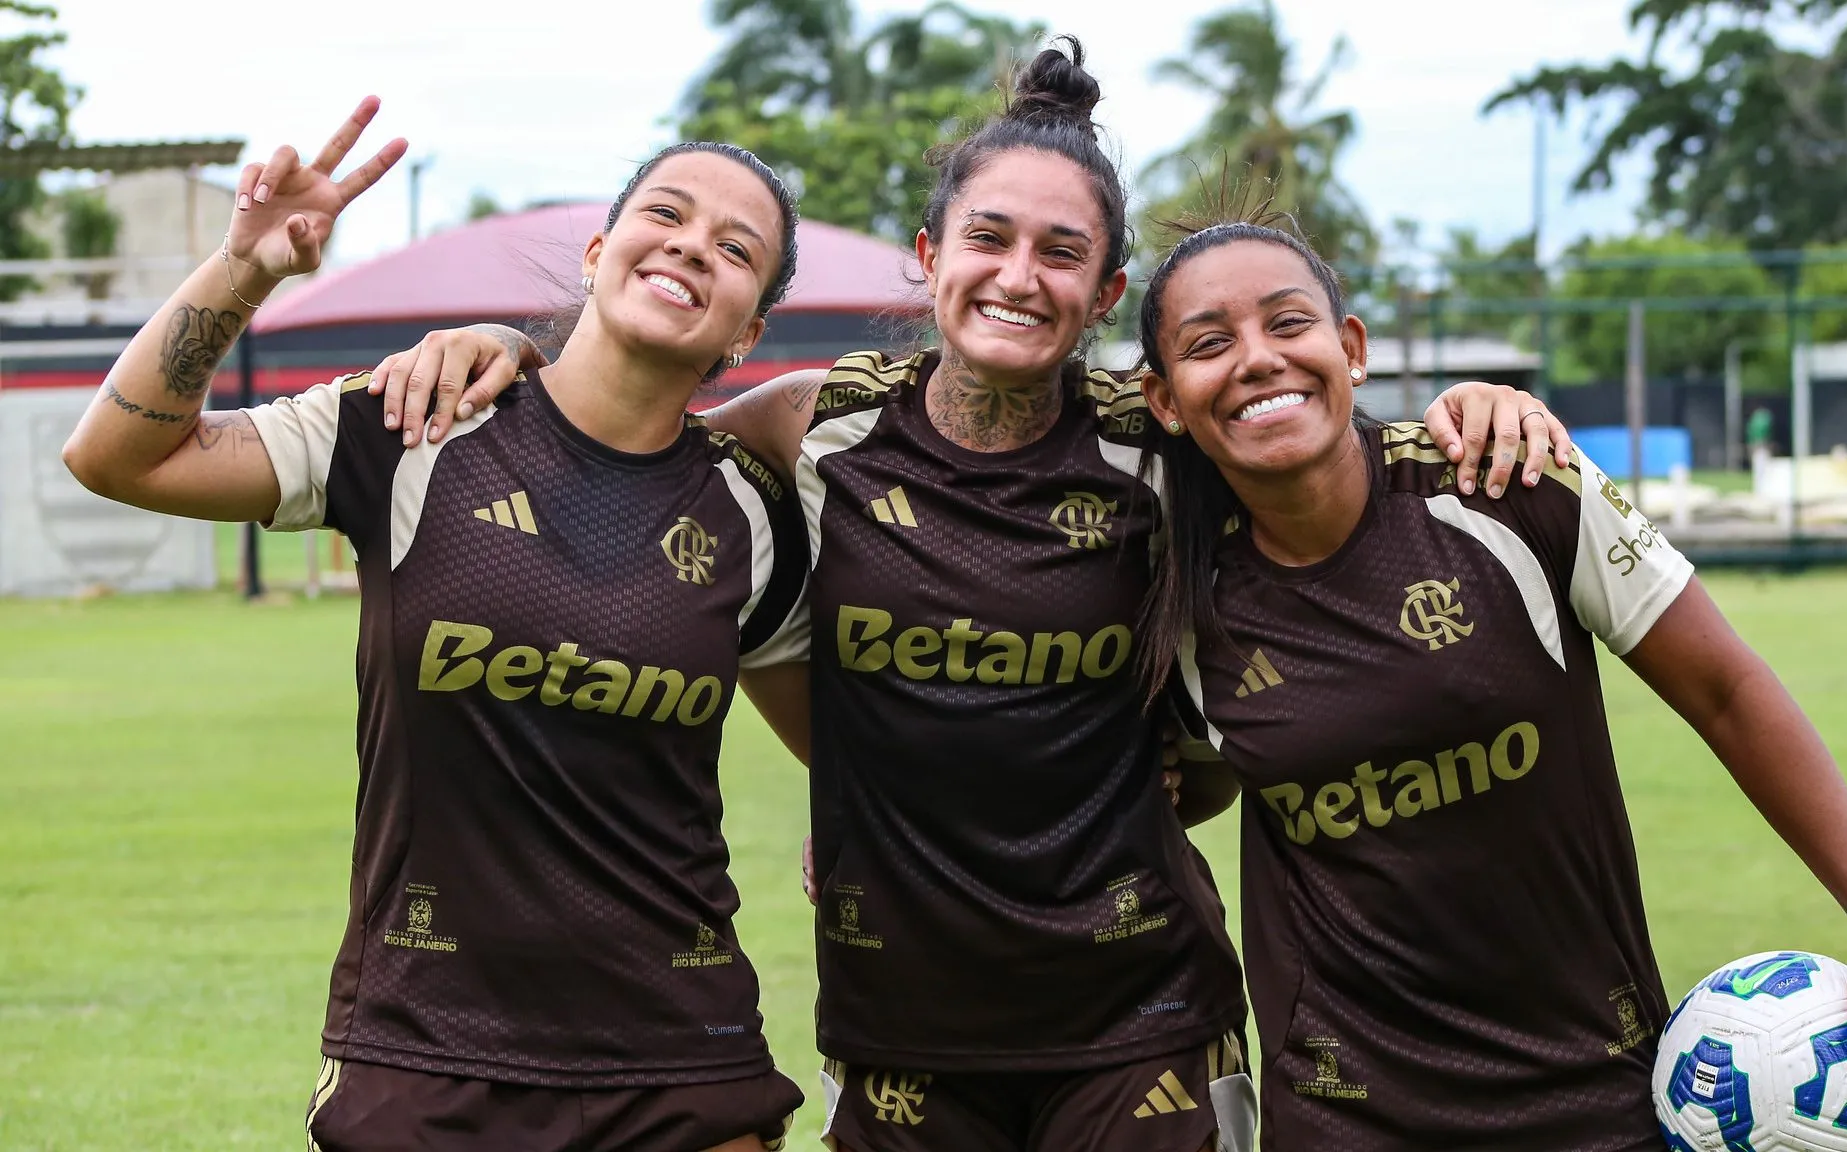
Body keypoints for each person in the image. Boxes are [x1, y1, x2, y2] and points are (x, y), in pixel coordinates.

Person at [372, 40, 1573, 1152]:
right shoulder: (813, 427)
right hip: (899, 1028)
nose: (1017, 276)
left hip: (1141, 1022)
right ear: (928, 254)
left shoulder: (1159, 452)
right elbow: (631, 428)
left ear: (1104, 298)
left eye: (1060, 254)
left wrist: (1473, 406)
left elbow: (1313, 437)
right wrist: (512, 348)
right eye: (987, 239)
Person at [61, 98, 815, 1152]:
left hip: (682, 1062)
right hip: (425, 1057)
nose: (691, 245)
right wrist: (248, 265)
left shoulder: (751, 512)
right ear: (600, 251)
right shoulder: (414, 424)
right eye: (667, 214)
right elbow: (118, 456)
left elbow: (844, 756)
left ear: (745, 331)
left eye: (735, 249)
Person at [1128, 216, 1847, 1150]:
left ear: (1352, 349)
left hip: (1593, 1097)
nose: (1257, 359)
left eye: (1289, 323)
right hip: (1341, 1119)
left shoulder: (1514, 486)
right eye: (1210, 344)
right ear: (1166, 401)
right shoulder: (1175, 604)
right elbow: (1165, 780)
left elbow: (1727, 689)